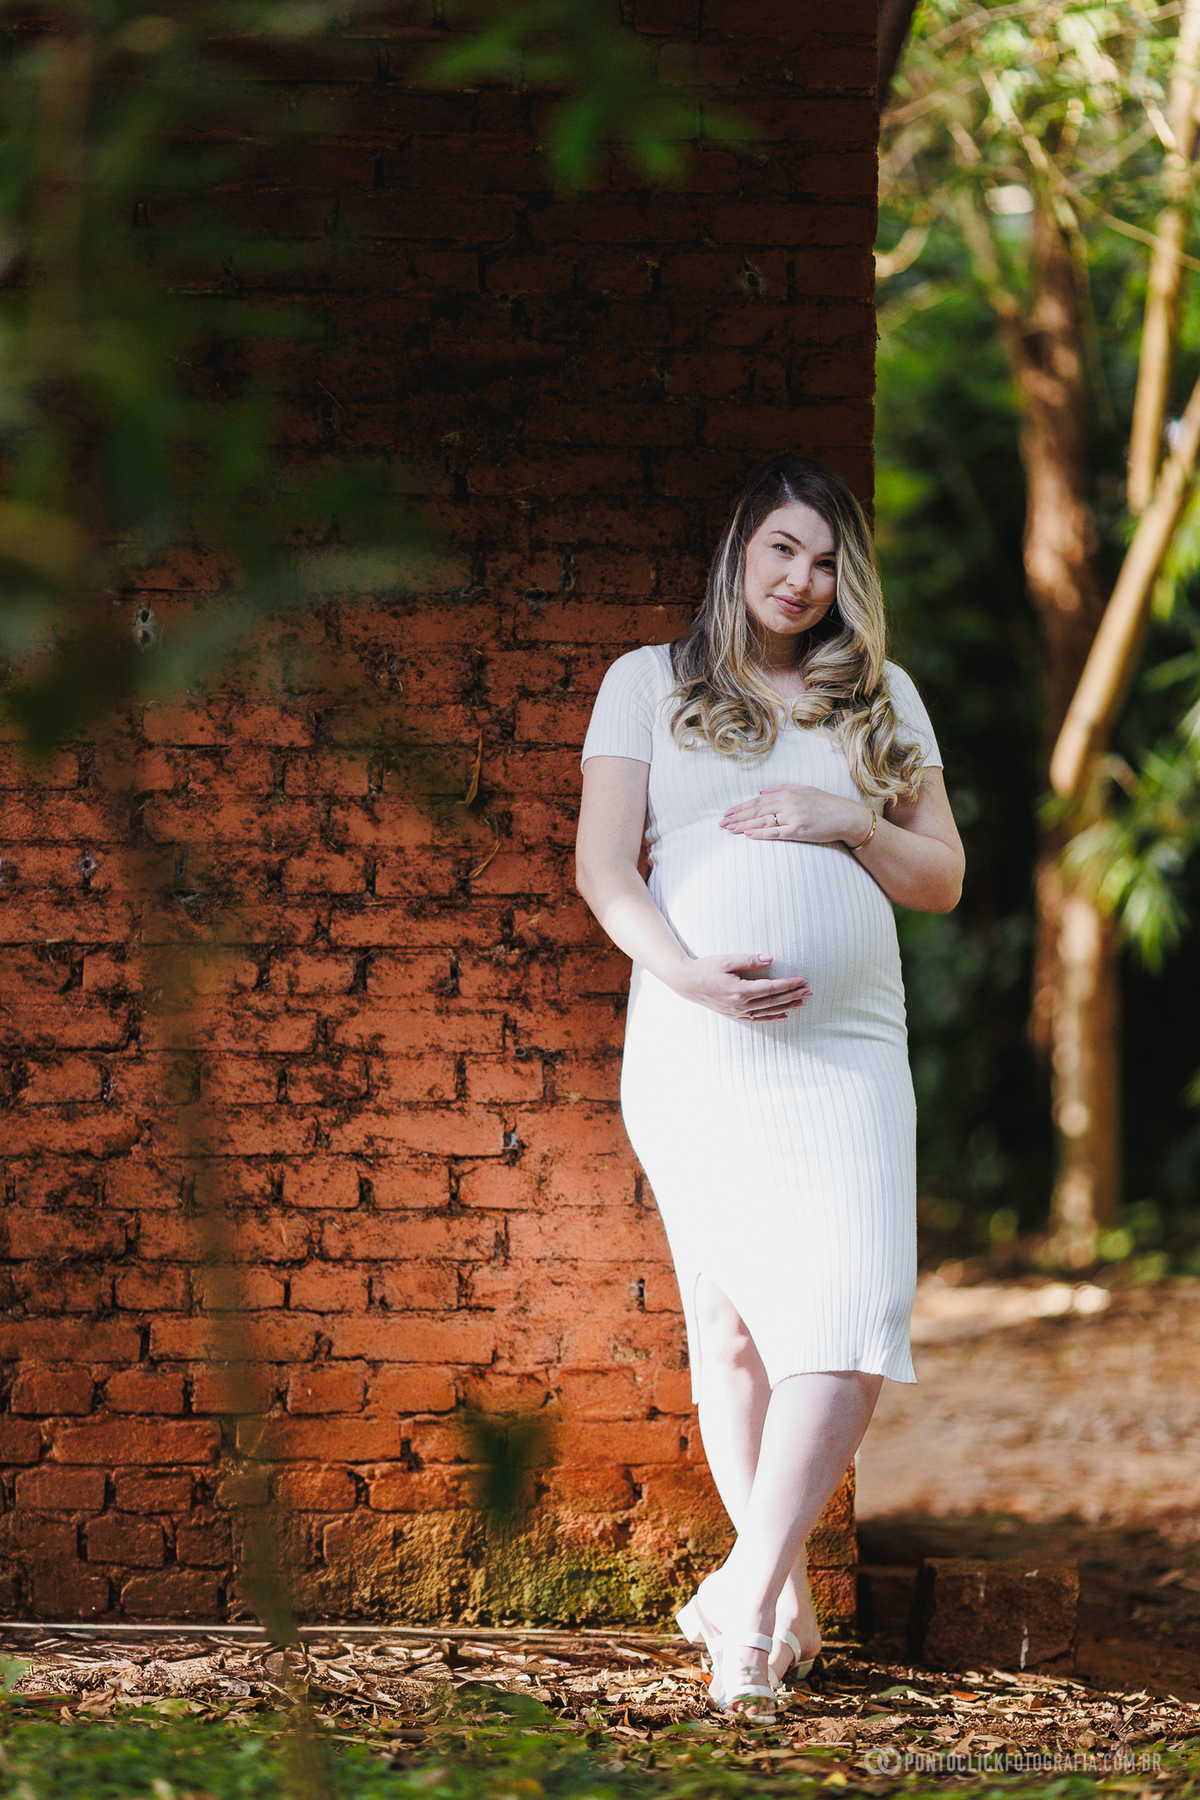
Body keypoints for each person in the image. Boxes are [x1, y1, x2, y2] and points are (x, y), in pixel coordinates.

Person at [574, 455, 964, 1723]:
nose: (803, 581)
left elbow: (942, 879)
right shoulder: (651, 682)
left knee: (856, 1311)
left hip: (850, 1040)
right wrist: (688, 974)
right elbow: (603, 874)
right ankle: (772, 1606)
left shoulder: (881, 699)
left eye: (828, 561)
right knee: (733, 1329)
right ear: (740, 551)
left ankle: (742, 1592)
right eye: (782, 551)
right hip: (697, 1044)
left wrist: (847, 820)